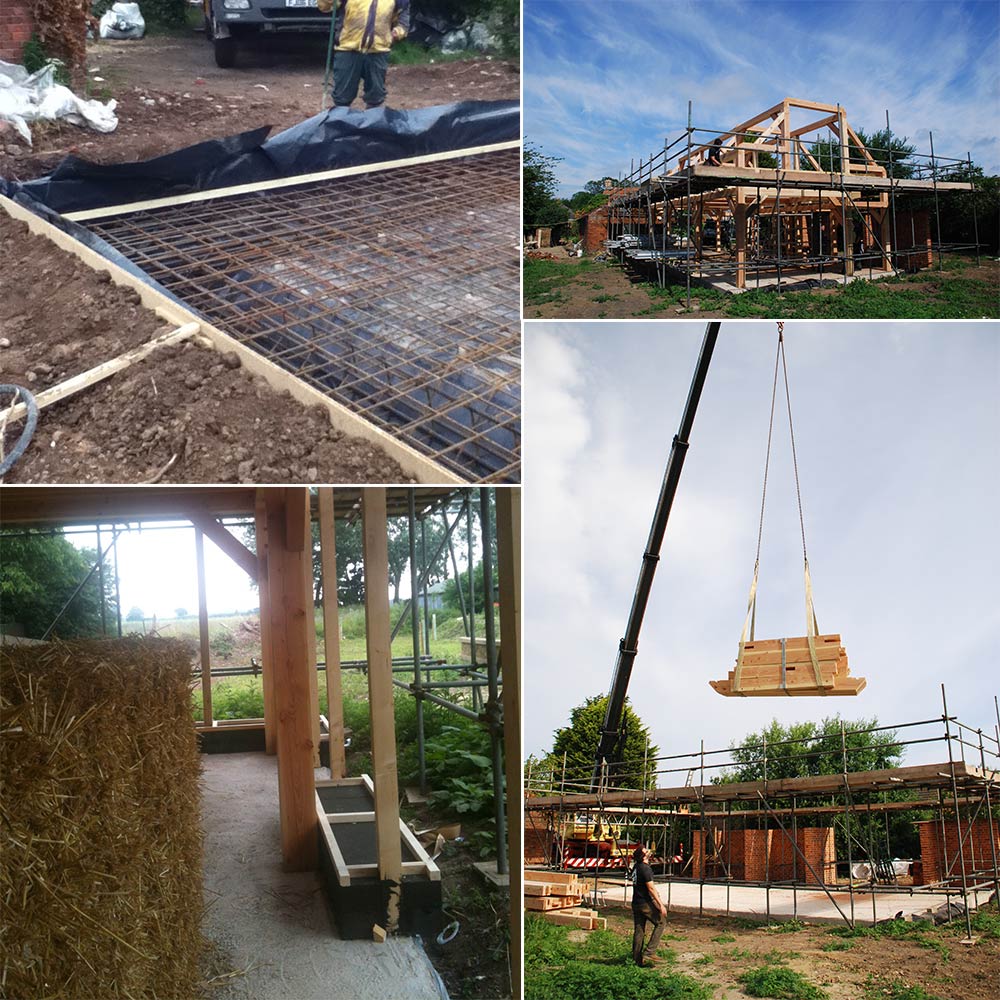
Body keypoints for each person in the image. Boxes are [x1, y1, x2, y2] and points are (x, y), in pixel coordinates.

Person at [317, 0, 410, 109]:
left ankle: (373, 122)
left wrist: (397, 33)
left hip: (378, 51)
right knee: (342, 95)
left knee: (376, 95)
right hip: (348, 48)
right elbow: (324, 7)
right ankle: (340, 121)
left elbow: (403, 21)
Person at [631, 843, 667, 966]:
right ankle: (650, 952)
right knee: (661, 922)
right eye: (646, 851)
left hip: (636, 902)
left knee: (639, 929)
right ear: (643, 856)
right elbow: (650, 888)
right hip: (644, 902)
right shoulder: (645, 869)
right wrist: (660, 904)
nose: (649, 852)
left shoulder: (636, 867)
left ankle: (636, 959)